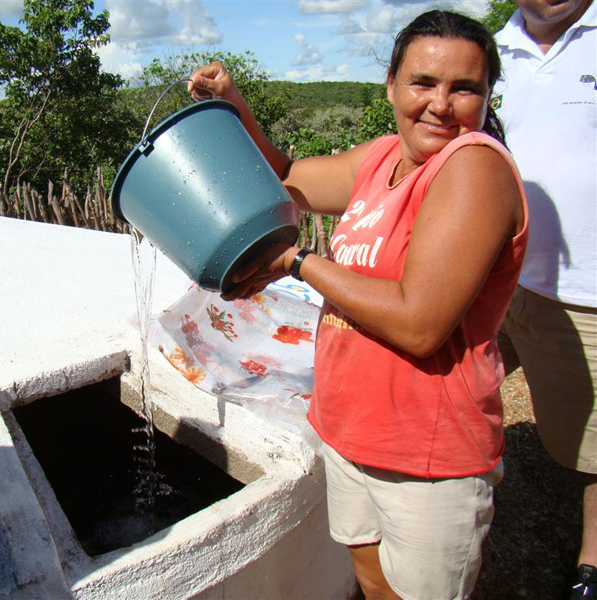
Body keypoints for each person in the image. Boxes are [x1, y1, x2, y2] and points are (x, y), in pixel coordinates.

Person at [189, 10, 527, 599]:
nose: (440, 105)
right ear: (391, 85)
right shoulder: (381, 158)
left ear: (487, 96)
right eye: (423, 82)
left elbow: (420, 324)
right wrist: (233, 102)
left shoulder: (473, 167)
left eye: (464, 88)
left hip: (426, 446)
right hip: (350, 424)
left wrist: (297, 263)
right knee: (371, 583)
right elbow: (290, 175)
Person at [492, 1, 597, 597]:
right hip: (495, 273)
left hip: (586, 288)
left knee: (594, 442)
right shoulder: (492, 51)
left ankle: (592, 564)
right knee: (457, 388)